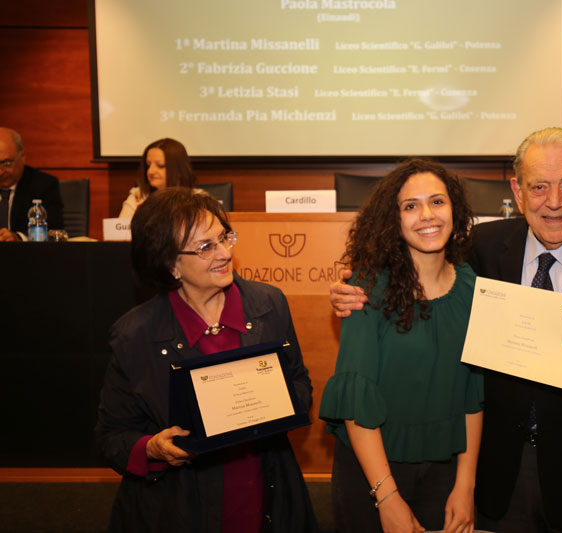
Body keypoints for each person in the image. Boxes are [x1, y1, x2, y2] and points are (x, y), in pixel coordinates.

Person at [330, 128, 562, 532]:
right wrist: (351, 289)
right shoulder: (481, 248)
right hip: (497, 479)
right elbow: (414, 272)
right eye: (539, 186)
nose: (553, 202)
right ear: (517, 191)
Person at [95, 188, 318, 532]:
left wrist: (277, 402)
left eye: (224, 238)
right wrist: (152, 448)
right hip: (175, 510)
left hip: (270, 500)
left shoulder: (268, 304)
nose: (224, 253)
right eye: (205, 247)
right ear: (170, 264)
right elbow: (112, 437)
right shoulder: (134, 335)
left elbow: (300, 382)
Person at [319, 159, 483, 533]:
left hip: (446, 474)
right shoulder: (365, 288)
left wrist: (465, 485)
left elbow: (473, 395)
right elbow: (356, 404)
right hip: (373, 474)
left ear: (454, 209)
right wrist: (387, 497)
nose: (427, 215)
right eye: (410, 206)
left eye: (437, 202)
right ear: (393, 220)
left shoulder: (474, 288)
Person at [0, 127, 64, 241]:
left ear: (22, 157)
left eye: (7, 163)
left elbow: (54, 230)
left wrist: (19, 237)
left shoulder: (43, 185)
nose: (0, 172)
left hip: (27, 255)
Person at [118, 137, 198, 218]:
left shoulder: (198, 199)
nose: (150, 171)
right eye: (148, 165)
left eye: (160, 166)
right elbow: (121, 228)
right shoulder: (138, 197)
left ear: (179, 169)